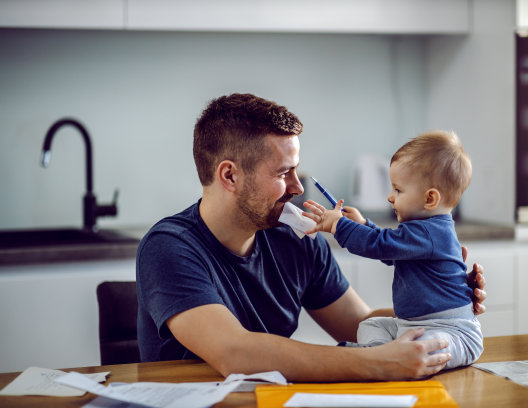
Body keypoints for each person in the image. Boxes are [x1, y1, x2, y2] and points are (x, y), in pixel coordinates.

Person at [136, 93, 486, 382]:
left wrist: (442, 303)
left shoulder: (297, 240)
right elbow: (235, 353)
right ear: (229, 175)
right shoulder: (169, 247)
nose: (298, 187)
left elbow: (357, 323)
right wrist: (378, 362)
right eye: (283, 173)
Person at [302, 131, 483, 369]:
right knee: (371, 325)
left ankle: (392, 355)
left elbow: (382, 244)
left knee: (431, 344)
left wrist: (339, 225)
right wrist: (364, 226)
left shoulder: (429, 233)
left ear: (430, 199)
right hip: (412, 325)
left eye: (398, 190)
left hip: (453, 331)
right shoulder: (420, 232)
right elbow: (390, 248)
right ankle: (375, 354)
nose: (389, 197)